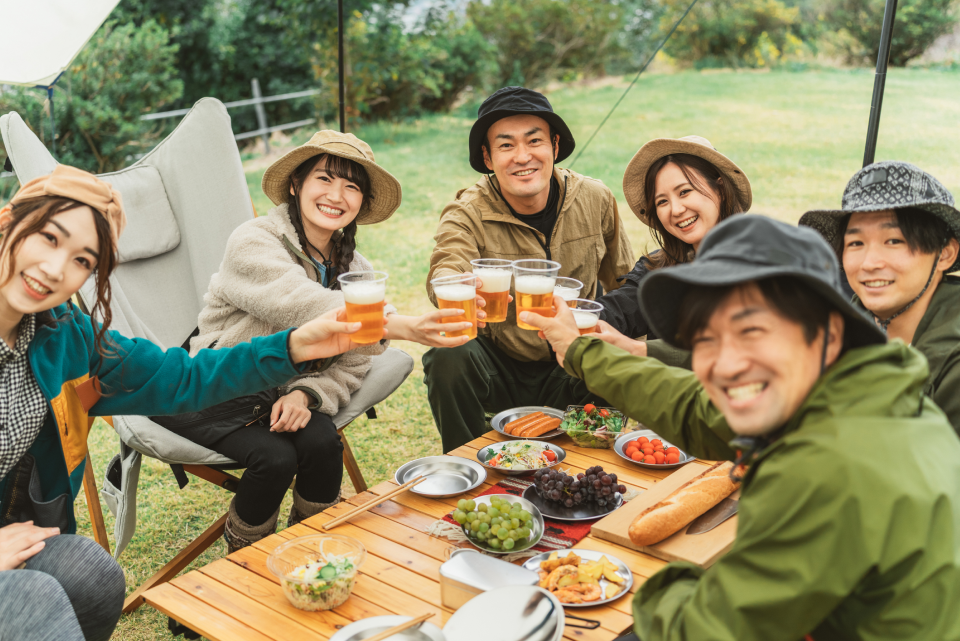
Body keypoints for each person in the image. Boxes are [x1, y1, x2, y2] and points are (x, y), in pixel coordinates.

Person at [523, 215, 960, 639]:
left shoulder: (831, 466)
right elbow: (698, 409)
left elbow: (704, 630)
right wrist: (582, 351)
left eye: (753, 331)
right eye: (706, 339)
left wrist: (655, 581)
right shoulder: (865, 388)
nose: (727, 365)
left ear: (826, 332)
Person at [0, 166, 366, 641]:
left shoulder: (60, 334)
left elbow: (184, 378)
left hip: (19, 530)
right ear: (9, 222)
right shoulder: (258, 240)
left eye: (82, 261)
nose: (55, 269)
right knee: (38, 599)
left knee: (94, 574)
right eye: (49, 238)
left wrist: (292, 347)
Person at [162, 131, 478, 552]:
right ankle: (243, 564)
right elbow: (297, 303)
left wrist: (308, 394)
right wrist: (396, 324)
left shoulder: (357, 270)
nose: (337, 195)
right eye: (325, 179)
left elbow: (355, 359)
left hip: (279, 391)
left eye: (352, 186)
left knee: (322, 441)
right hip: (214, 385)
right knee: (275, 459)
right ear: (296, 185)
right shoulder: (254, 240)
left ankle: (313, 550)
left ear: (361, 202)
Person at [422, 86, 636, 452]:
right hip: (498, 368)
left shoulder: (594, 198)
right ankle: (468, 462)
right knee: (447, 354)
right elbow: (446, 265)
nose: (523, 157)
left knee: (613, 345)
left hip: (571, 359)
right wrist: (458, 285)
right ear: (488, 158)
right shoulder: (467, 211)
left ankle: (593, 460)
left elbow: (625, 282)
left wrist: (637, 359)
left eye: (534, 141)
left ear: (554, 145)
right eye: (506, 145)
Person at [800, 161, 960, 433]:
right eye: (856, 243)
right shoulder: (834, 330)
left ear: (944, 254)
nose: (870, 262)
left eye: (894, 241)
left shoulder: (953, 364)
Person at [591, 135, 751, 361]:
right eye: (662, 201)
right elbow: (620, 309)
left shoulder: (759, 266)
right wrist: (577, 316)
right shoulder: (659, 268)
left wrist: (638, 350)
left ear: (721, 189)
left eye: (685, 192)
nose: (675, 210)